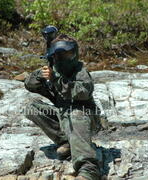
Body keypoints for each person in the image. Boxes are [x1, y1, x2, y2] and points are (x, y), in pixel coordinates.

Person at [24, 34, 101, 180]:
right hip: (64, 117)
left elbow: (82, 93)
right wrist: (40, 75)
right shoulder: (53, 70)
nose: (67, 58)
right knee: (32, 108)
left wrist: (56, 80)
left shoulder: (81, 72)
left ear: (75, 53)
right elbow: (30, 85)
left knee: (76, 114)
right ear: (55, 56)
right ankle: (65, 141)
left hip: (86, 118)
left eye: (70, 54)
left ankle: (88, 169)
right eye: (62, 55)